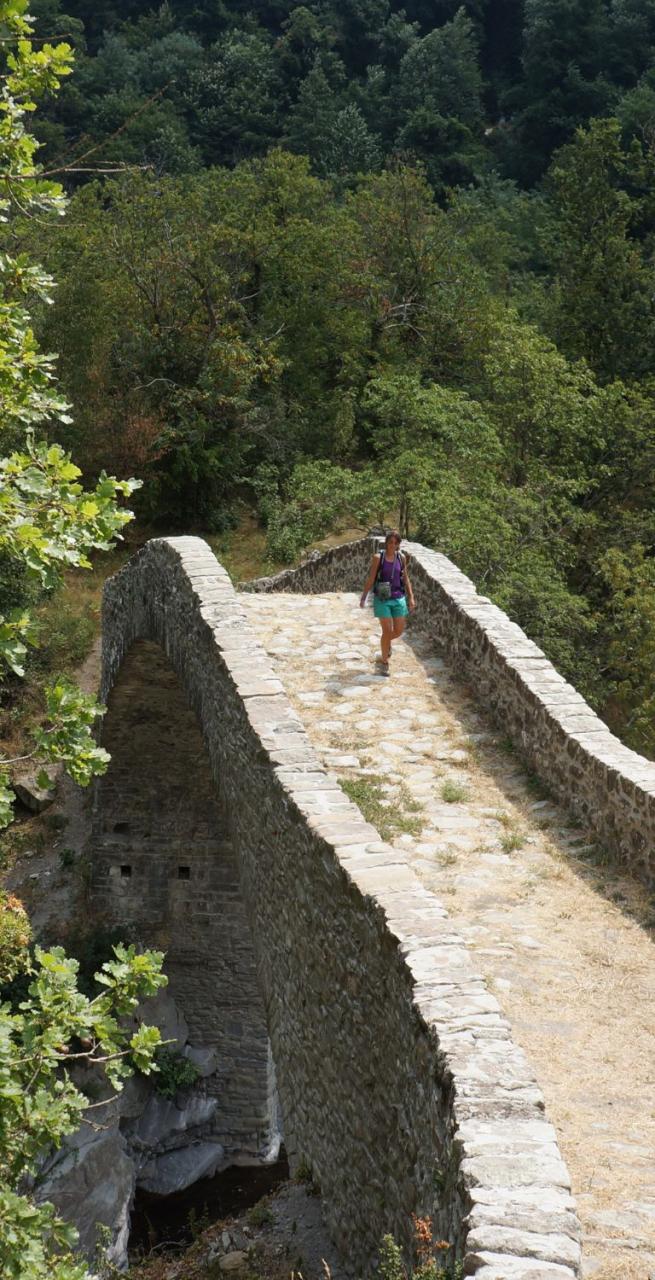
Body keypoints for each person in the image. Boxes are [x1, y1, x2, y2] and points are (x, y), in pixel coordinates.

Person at [359, 531, 416, 675]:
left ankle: (385, 645)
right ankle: (384, 662)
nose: (393, 545)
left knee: (398, 631)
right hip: (382, 598)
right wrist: (364, 596)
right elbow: (371, 578)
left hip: (398, 597)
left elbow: (406, 578)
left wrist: (411, 597)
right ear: (386, 543)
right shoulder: (379, 558)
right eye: (390, 542)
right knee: (386, 631)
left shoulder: (401, 558)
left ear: (398, 544)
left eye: (396, 543)